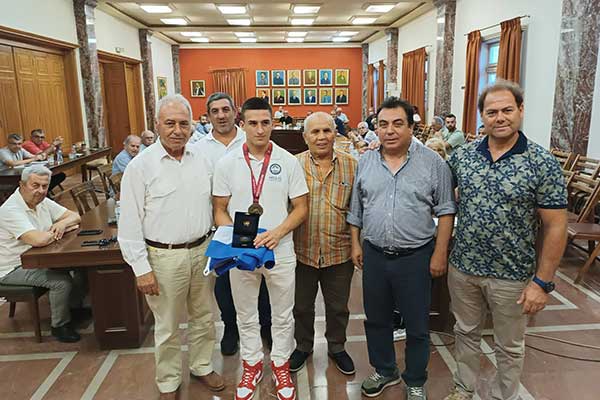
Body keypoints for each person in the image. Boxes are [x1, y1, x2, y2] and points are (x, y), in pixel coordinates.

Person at [444, 81, 568, 400]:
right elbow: (439, 193)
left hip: (512, 276)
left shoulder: (542, 163)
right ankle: (463, 388)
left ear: (520, 110)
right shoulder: (463, 157)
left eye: (507, 110)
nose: (500, 117)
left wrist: (542, 283)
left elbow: (556, 226)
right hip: (464, 268)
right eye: (492, 112)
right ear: (481, 116)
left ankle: (503, 395)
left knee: (509, 345)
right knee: (465, 333)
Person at [347, 97, 456, 399]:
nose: (389, 130)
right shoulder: (366, 161)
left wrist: (440, 252)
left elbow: (446, 209)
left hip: (415, 257)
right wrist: (356, 243)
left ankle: (416, 379)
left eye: (398, 124)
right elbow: (356, 208)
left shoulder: (433, 163)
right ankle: (385, 370)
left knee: (417, 324)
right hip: (375, 254)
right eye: (383, 124)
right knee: (376, 319)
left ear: (411, 128)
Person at [118, 94, 224, 399]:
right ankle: (168, 380)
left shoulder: (202, 159)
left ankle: (202, 366)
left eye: (183, 124)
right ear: (157, 125)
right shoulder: (140, 167)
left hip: (202, 251)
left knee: (204, 317)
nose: (177, 130)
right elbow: (129, 224)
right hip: (163, 257)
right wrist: (141, 269)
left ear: (192, 125)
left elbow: (215, 204)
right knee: (167, 325)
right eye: (170, 123)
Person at [212, 97, 308, 400]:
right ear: (242, 124)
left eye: (265, 122)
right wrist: (236, 242)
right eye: (252, 123)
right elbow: (219, 209)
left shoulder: (288, 161)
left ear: (273, 123)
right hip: (241, 253)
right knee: (245, 313)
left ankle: (280, 365)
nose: (259, 129)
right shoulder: (227, 163)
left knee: (283, 314)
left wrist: (277, 232)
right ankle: (251, 364)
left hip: (280, 249)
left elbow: (301, 207)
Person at [194, 92, 272, 356]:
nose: (221, 115)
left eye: (225, 109)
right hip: (219, 226)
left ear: (235, 112)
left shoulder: (251, 136)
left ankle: (266, 326)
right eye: (214, 111)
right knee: (225, 283)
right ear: (208, 116)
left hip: (256, 226)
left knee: (259, 279)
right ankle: (230, 328)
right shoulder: (199, 149)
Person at [289, 111, 357, 375]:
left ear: (335, 134)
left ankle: (337, 347)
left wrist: (356, 245)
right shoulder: (293, 165)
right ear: (305, 136)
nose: (321, 137)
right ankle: (303, 345)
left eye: (326, 131)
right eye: (315, 132)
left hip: (339, 252)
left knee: (338, 308)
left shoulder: (352, 166)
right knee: (301, 306)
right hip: (301, 251)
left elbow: (357, 211)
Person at [0, 165, 82, 343]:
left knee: (81, 267)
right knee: (61, 282)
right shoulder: (10, 210)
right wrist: (61, 230)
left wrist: (61, 224)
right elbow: (37, 240)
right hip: (13, 268)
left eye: (45, 186)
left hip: (39, 258)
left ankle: (74, 309)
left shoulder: (42, 201)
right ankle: (59, 326)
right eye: (35, 185)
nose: (41, 191)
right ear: (22, 185)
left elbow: (75, 216)